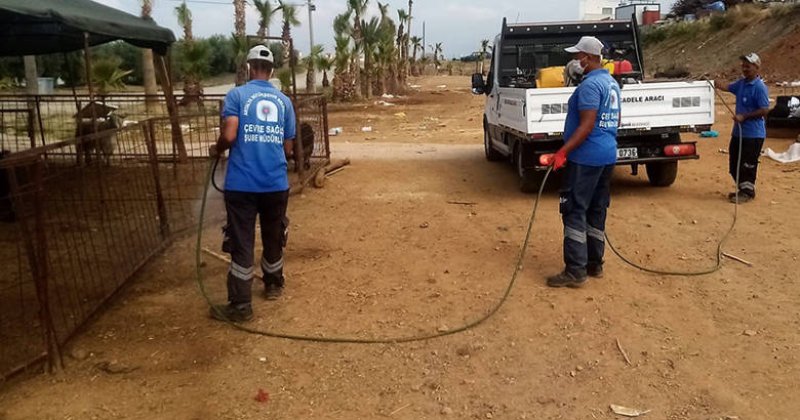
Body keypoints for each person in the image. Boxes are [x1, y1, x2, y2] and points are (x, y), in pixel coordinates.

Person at [209, 45, 297, 322]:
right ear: (271, 71)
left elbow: (231, 134)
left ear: (249, 67)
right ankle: (273, 283)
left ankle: (241, 305)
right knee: (273, 233)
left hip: (242, 184)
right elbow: (288, 150)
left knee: (241, 240)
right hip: (275, 183)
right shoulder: (284, 102)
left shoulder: (236, 95)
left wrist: (217, 148)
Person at [543, 36, 621, 288]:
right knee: (597, 208)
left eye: (578, 56)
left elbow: (587, 125)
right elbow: (613, 122)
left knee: (575, 209)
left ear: (588, 57)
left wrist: (562, 152)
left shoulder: (589, 86)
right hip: (607, 154)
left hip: (586, 158)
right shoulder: (611, 83)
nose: (576, 61)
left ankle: (575, 270)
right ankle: (594, 263)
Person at [716, 52, 770, 203]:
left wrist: (744, 116)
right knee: (734, 164)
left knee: (747, 164)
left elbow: (764, 110)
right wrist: (713, 82)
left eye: (748, 66)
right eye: (743, 66)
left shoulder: (759, 87)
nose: (745, 69)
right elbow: (727, 86)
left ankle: (747, 192)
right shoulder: (741, 84)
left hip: (753, 134)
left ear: (756, 67)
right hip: (739, 133)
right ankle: (742, 189)